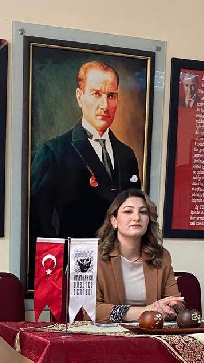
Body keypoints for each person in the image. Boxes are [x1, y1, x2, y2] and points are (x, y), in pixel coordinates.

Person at [29, 60, 141, 286]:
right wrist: (55, 279)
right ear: (80, 97)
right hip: (73, 275)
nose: (104, 105)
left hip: (118, 277)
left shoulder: (127, 155)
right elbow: (39, 225)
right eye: (96, 94)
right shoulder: (53, 152)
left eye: (111, 96)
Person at [95, 189, 184, 323]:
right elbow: (92, 310)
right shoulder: (95, 257)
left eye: (143, 212)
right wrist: (147, 311)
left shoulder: (161, 256)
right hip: (110, 333)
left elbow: (178, 304)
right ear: (114, 220)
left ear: (148, 220)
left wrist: (169, 309)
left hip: (151, 331)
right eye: (128, 211)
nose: (136, 217)